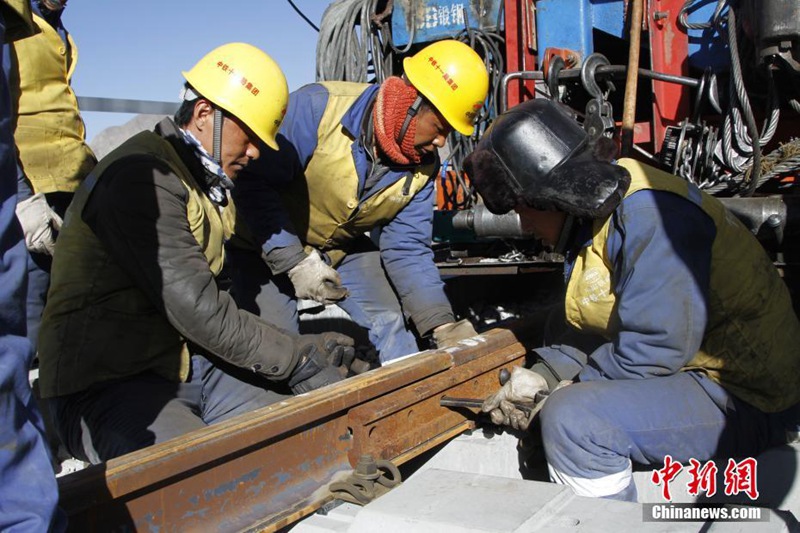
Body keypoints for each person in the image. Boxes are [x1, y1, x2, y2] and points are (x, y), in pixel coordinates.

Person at [464, 98, 800, 501]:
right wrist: (547, 373)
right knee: (561, 340)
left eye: (522, 209)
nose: (525, 224)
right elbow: (591, 315)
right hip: (698, 374)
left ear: (546, 196)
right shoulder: (599, 214)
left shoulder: (649, 215)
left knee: (574, 422)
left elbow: (655, 345)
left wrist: (563, 394)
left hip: (748, 399)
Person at [37, 43, 357, 465]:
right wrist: (296, 356)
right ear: (205, 114)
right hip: (108, 383)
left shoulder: (198, 181)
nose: (256, 152)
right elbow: (198, 308)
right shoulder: (140, 178)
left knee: (289, 437)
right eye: (249, 134)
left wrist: (301, 351)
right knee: (203, 475)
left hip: (182, 365)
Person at [230, 39, 488, 363]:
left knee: (390, 322)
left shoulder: (423, 169)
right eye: (440, 127)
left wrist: (441, 324)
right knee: (279, 349)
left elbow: (407, 249)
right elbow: (252, 183)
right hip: (260, 243)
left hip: (336, 248)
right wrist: (294, 260)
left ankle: (407, 401)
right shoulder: (318, 109)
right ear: (411, 101)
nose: (440, 141)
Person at [0, 0, 64, 529]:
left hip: (64, 178)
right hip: (34, 187)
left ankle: (52, 440)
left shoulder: (49, 26)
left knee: (53, 319)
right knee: (29, 327)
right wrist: (24, 196)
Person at [6, 0, 96, 349]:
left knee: (78, 308)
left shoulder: (59, 31)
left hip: (73, 184)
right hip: (31, 193)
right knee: (30, 318)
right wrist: (20, 198)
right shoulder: (10, 21)